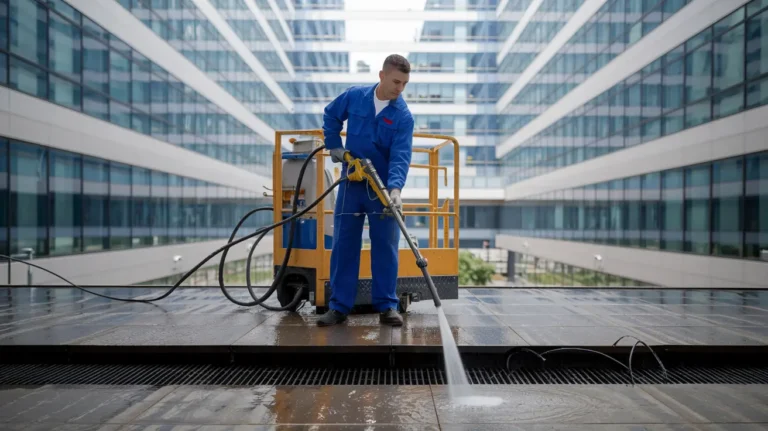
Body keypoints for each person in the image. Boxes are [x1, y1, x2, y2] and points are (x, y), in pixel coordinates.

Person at [317, 54, 414, 327]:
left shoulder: (402, 116)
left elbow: (401, 154)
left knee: (385, 245)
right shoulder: (355, 97)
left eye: (405, 83)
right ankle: (338, 307)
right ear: (382, 75)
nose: (400, 88)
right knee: (345, 244)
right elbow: (331, 114)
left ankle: (387, 306)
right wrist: (334, 144)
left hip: (381, 189)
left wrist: (395, 189)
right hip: (353, 182)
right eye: (396, 81)